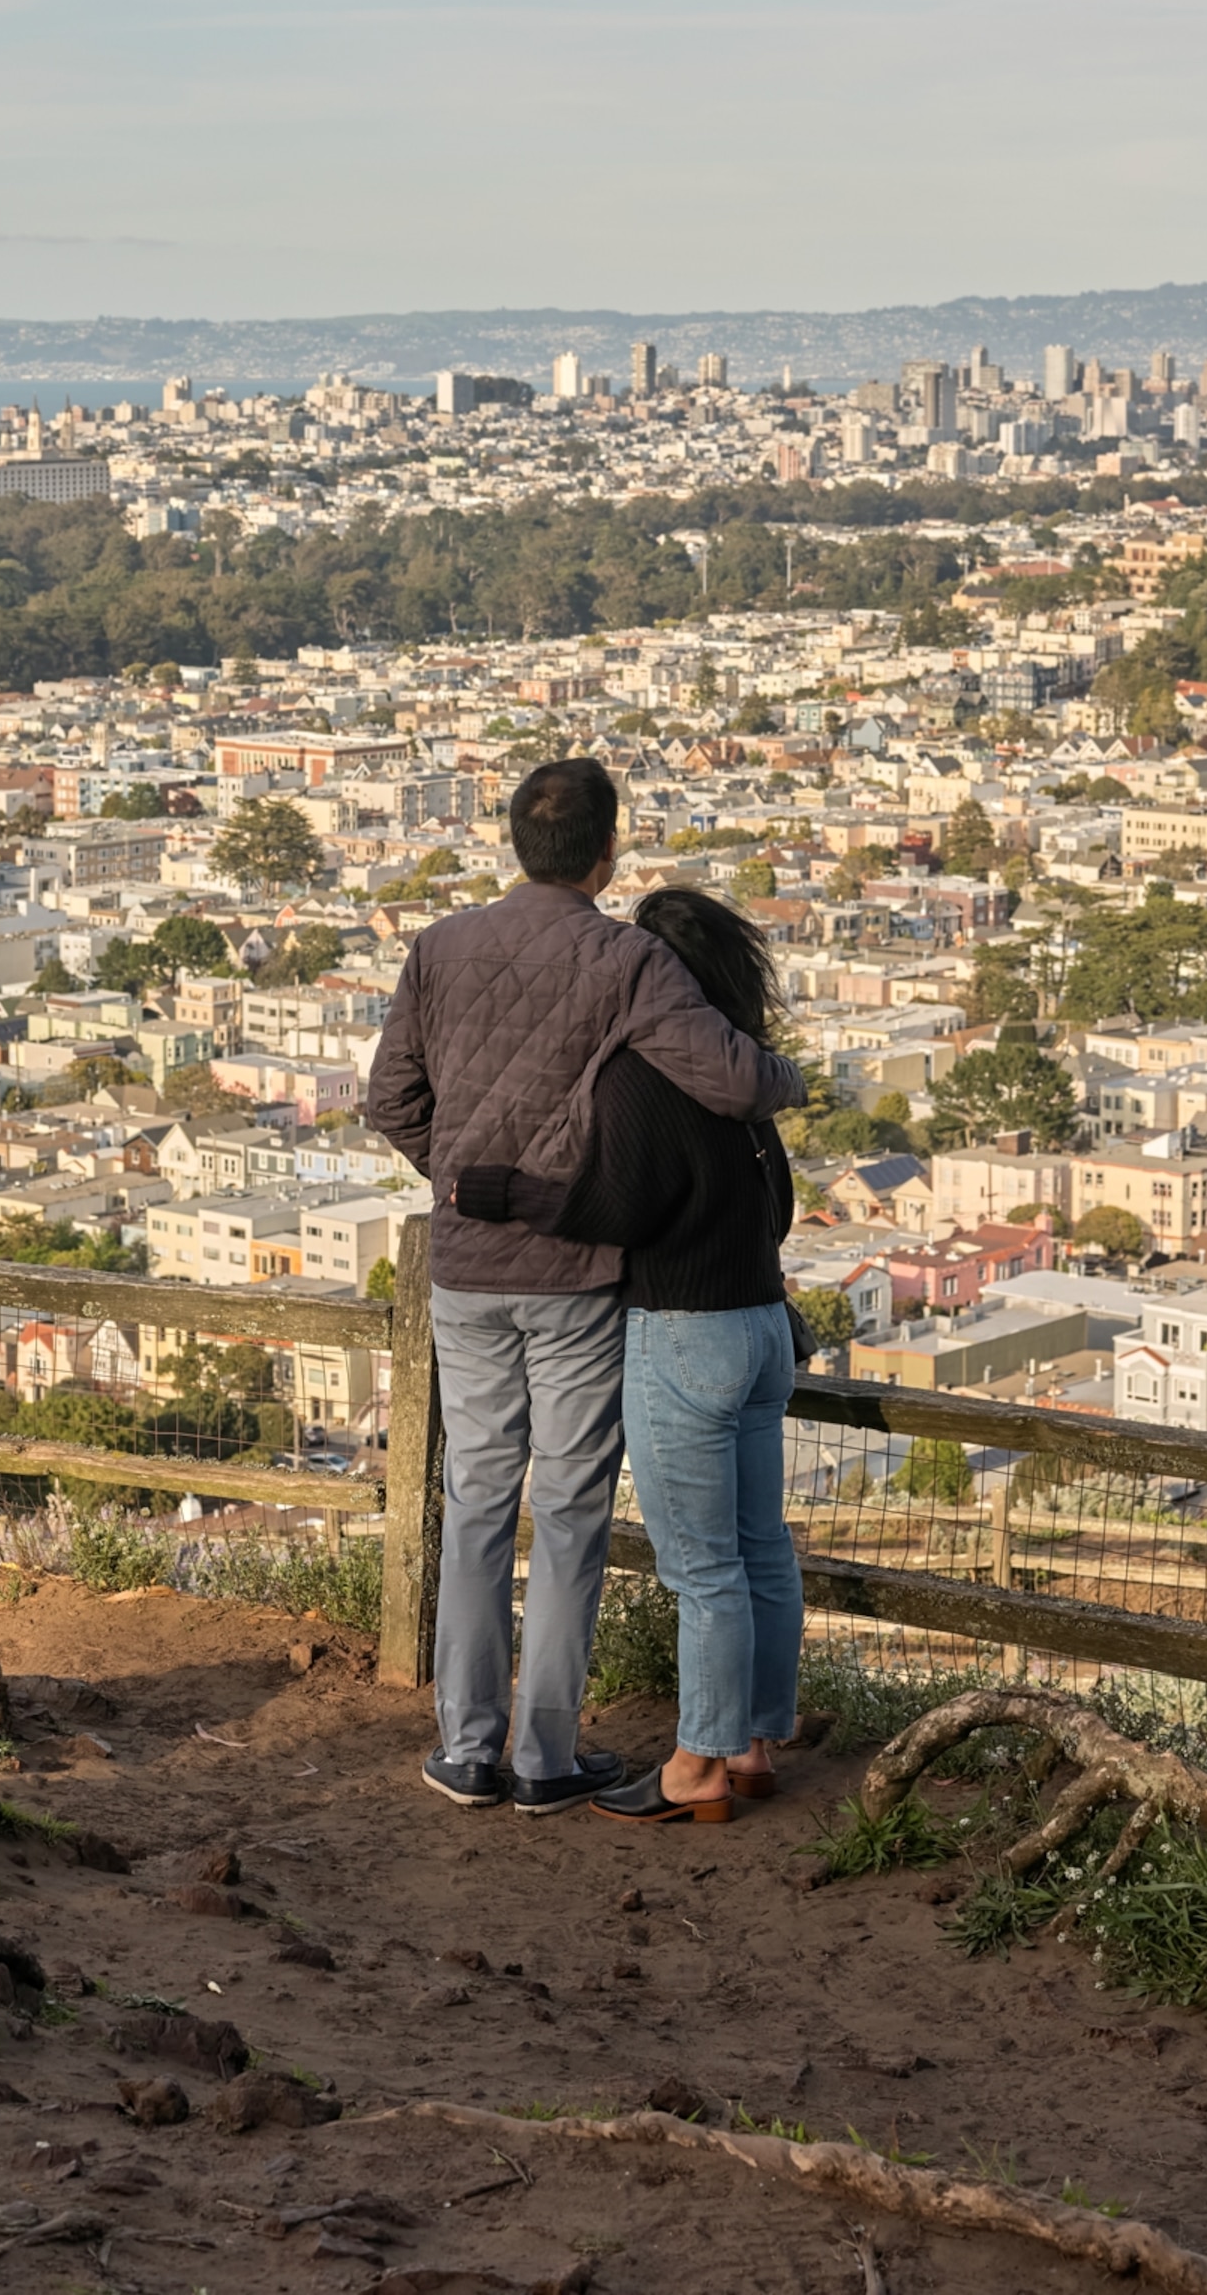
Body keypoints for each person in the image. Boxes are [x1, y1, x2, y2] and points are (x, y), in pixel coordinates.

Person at [367, 760, 804, 1816]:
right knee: (567, 1507)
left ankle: (466, 1746)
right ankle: (543, 1759)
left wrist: (469, 1182)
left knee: (475, 1497)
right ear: (607, 851)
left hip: (468, 1271)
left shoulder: (438, 948)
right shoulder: (627, 960)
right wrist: (790, 1075)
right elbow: (738, 1081)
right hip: (579, 1276)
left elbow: (389, 1100)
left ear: (516, 843)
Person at [455, 889, 803, 1826]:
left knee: (701, 1571)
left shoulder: (643, 1074)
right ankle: (759, 1743)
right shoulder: (744, 1077)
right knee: (763, 1546)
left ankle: (697, 1763)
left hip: (683, 1328)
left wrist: (510, 1194)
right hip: (764, 1327)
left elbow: (615, 1211)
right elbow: (779, 1209)